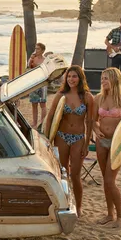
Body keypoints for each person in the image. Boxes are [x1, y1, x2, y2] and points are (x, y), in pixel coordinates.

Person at [43, 66, 94, 218]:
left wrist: (86, 144)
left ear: (80, 79)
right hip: (61, 136)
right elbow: (51, 117)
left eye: (74, 77)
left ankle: (78, 207)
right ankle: (64, 204)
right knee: (63, 174)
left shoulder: (87, 97)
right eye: (69, 76)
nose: (71, 79)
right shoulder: (61, 95)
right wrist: (47, 138)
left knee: (76, 175)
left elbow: (90, 121)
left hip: (78, 138)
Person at [92, 68, 121, 229]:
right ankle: (109, 214)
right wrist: (96, 130)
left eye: (106, 78)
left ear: (115, 79)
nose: (103, 81)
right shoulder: (99, 98)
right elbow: (93, 121)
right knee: (105, 181)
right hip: (102, 143)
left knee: (110, 181)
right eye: (102, 78)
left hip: (117, 144)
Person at [28, 43, 48, 128]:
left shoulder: (45, 60)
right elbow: (29, 66)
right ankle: (35, 123)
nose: (36, 50)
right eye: (36, 48)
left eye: (38, 49)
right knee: (34, 104)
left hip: (42, 83)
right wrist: (31, 58)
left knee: (42, 104)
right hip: (34, 82)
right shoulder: (33, 58)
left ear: (43, 50)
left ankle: (42, 123)